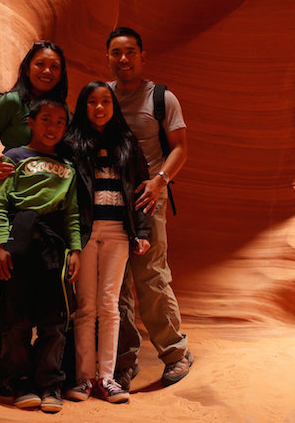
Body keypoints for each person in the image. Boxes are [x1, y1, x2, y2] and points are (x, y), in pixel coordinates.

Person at [0, 40, 69, 397]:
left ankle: (47, 372)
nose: (47, 71)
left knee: (42, 288)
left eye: (54, 66)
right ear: (27, 67)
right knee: (5, 287)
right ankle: (3, 372)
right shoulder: (11, 103)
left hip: (44, 211)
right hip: (7, 201)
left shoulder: (57, 110)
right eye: (40, 64)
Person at [105, 27, 193, 389]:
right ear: (107, 58)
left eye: (129, 52)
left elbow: (180, 148)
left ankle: (175, 353)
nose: (123, 59)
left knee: (151, 277)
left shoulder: (161, 98)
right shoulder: (101, 96)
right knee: (117, 284)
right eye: (115, 53)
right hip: (109, 199)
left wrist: (160, 181)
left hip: (147, 198)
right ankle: (125, 361)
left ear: (143, 56)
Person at [61, 81, 152, 403]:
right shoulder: (72, 144)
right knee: (85, 307)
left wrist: (142, 233)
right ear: (84, 107)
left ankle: (107, 379)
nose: (99, 108)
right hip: (84, 233)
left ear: (113, 106)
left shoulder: (127, 143)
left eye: (105, 102)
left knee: (109, 306)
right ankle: (84, 379)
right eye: (92, 102)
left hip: (117, 234)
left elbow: (141, 191)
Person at [0, 97, 81, 413]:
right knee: (15, 318)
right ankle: (19, 381)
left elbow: (71, 213)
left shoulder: (68, 168)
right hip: (17, 242)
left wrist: (75, 250)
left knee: (53, 319)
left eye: (59, 122)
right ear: (31, 122)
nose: (52, 127)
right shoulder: (13, 158)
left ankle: (50, 383)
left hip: (52, 248)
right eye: (46, 120)